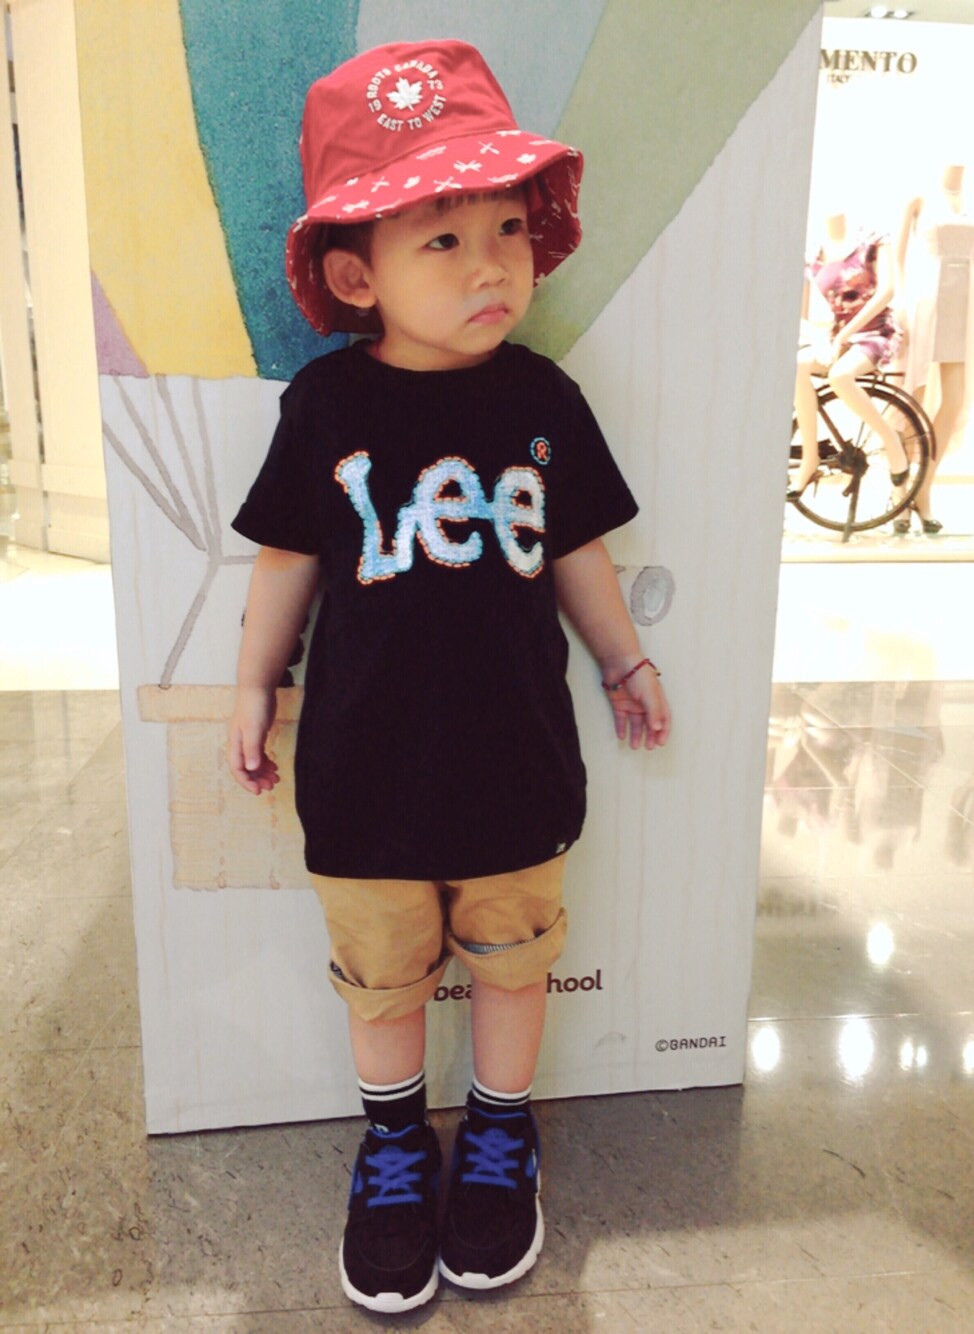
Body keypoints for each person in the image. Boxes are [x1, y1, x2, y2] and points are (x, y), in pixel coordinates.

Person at [226, 40, 670, 1316]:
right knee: (381, 970)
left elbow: (578, 549)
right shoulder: (323, 407)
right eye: (444, 239)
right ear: (355, 273)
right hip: (361, 770)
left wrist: (625, 656)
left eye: (508, 228)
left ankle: (497, 1131)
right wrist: (254, 683)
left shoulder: (543, 397)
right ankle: (392, 1144)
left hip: (516, 758)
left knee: (515, 955)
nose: (492, 265)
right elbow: (285, 560)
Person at [788, 212, 908, 505]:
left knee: (840, 376)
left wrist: (844, 335)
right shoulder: (812, 254)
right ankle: (810, 460)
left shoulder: (873, 239)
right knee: (797, 367)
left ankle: (890, 440)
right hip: (840, 338)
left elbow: (888, 291)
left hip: (877, 332)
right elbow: (800, 316)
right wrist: (822, 340)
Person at [896, 162, 974, 534]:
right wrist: (898, 304)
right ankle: (900, 492)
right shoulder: (919, 197)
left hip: (964, 301)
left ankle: (924, 488)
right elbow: (897, 260)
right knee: (912, 397)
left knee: (954, 399)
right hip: (926, 298)